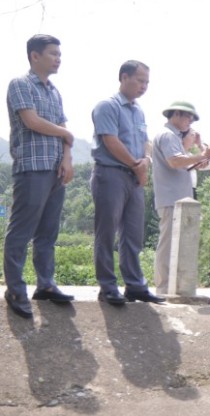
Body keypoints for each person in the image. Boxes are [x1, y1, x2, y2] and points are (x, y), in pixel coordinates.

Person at [3, 34, 76, 319]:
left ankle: (45, 285)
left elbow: (64, 128)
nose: (58, 58)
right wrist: (66, 133)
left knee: (48, 233)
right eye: (53, 53)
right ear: (35, 56)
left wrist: (68, 159)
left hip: (57, 170)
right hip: (32, 167)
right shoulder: (20, 84)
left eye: (59, 53)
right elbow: (31, 121)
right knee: (21, 232)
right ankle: (15, 289)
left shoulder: (54, 91)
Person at [90, 60, 165, 305]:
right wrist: (137, 164)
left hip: (134, 176)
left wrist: (145, 161)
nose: (144, 86)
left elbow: (146, 140)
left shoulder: (138, 111)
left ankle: (134, 285)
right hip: (110, 174)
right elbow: (110, 141)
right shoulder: (107, 106)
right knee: (107, 232)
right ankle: (108, 286)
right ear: (124, 77)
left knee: (133, 233)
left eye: (147, 82)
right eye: (140, 80)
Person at [151, 101, 210, 294]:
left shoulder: (173, 138)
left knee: (179, 245)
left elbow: (187, 162)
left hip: (180, 198)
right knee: (168, 244)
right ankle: (164, 287)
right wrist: (200, 155)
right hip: (171, 197)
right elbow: (175, 161)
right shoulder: (168, 136)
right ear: (177, 115)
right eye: (188, 117)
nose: (190, 122)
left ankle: (175, 287)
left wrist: (200, 152)